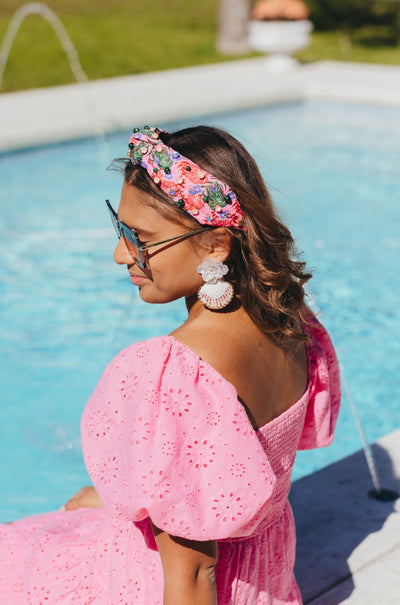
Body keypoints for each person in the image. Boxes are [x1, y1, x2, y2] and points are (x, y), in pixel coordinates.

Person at [0, 125, 340, 604]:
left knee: (12, 552)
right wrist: (155, 504)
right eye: (120, 228)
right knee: (55, 521)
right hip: (263, 583)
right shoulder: (295, 327)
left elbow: (194, 575)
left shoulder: (177, 373)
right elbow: (230, 479)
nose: (122, 253)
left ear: (216, 246)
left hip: (162, 587)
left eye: (141, 237)